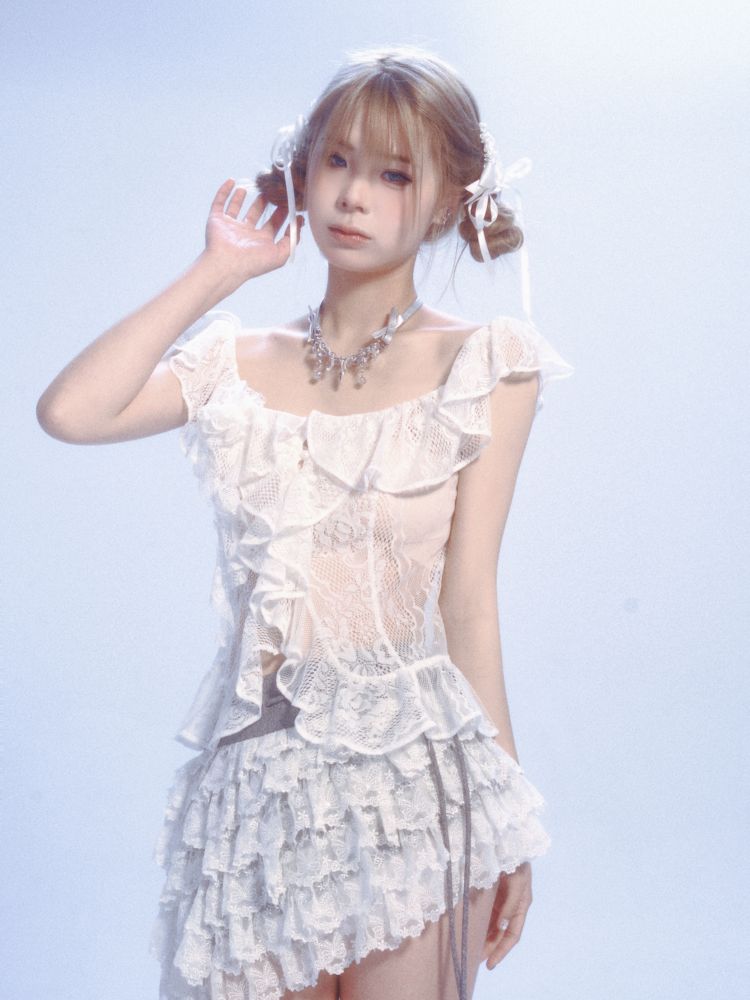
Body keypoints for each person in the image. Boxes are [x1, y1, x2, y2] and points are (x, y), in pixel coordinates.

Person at [36, 43, 574, 1000]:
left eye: (394, 174)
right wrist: (218, 272)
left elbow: (469, 606)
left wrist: (509, 823)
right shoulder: (235, 362)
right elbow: (71, 412)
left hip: (417, 778)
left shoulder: (489, 365)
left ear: (448, 201)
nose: (354, 196)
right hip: (259, 784)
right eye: (337, 160)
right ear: (303, 169)